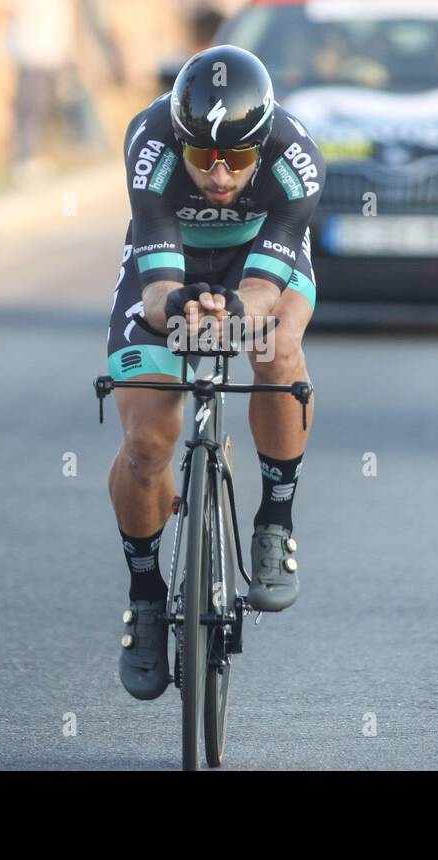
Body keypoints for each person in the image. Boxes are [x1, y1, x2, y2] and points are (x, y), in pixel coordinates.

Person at [107, 45, 325, 700]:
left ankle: (275, 520)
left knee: (278, 347)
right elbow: (154, 288)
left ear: (262, 143)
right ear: (184, 143)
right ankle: (146, 595)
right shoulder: (151, 140)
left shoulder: (296, 157)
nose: (222, 173)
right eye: (204, 158)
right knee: (147, 443)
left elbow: (263, 289)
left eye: (237, 158)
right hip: (170, 265)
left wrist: (234, 309)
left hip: (257, 265)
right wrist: (176, 305)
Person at [0, 0, 77, 179]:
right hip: (28, 44)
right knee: (29, 103)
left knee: (47, 103)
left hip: (54, 45)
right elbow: (4, 0)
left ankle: (40, 153)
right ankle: (25, 157)